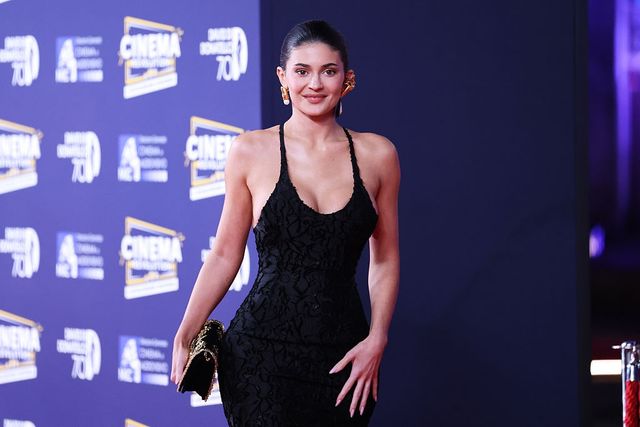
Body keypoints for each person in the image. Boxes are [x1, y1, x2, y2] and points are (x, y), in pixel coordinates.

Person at [170, 20, 400, 426]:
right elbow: (225, 254)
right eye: (302, 71)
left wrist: (377, 337)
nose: (315, 84)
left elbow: (385, 259)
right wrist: (186, 331)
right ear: (283, 77)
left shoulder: (378, 155)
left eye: (328, 71)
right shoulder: (250, 150)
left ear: (347, 79)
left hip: (344, 356)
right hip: (259, 356)